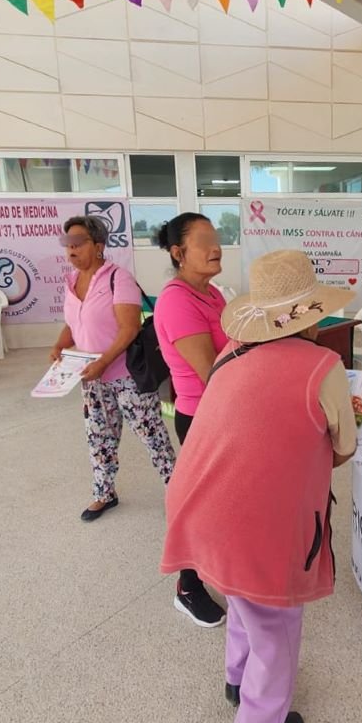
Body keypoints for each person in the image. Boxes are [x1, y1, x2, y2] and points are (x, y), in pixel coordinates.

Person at [160, 249, 357, 723]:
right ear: (313, 315)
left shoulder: (231, 355)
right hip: (257, 524)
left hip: (199, 503)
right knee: (276, 624)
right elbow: (344, 448)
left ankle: (234, 681)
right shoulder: (325, 365)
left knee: (244, 600)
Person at [49, 216, 176, 522]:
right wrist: (59, 346)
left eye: (78, 243)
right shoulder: (71, 282)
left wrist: (104, 362)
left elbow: (129, 328)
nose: (71, 249)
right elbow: (74, 322)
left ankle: (179, 491)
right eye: (67, 243)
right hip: (91, 378)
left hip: (125, 376)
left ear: (99, 246)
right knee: (98, 437)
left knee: (152, 435)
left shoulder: (117, 279)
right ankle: (104, 493)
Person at [152, 213, 230, 628]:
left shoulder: (212, 293)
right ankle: (187, 585)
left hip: (223, 413)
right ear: (179, 253)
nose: (215, 247)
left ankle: (222, 567)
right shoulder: (177, 300)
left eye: (216, 239)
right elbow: (211, 371)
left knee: (222, 503)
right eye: (204, 242)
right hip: (200, 416)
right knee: (200, 506)